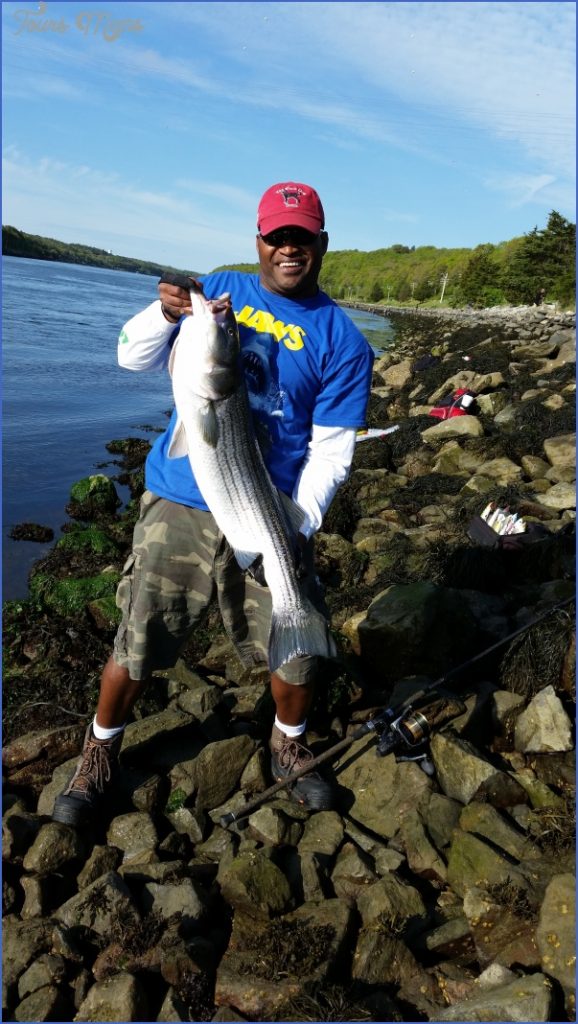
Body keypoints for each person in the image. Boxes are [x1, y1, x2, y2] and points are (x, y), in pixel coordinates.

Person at [52, 181, 374, 826]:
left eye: (301, 238)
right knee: (140, 631)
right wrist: (170, 316)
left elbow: (332, 450)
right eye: (276, 237)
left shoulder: (344, 340)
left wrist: (297, 525)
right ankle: (99, 750)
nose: (288, 249)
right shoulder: (218, 291)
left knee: (299, 643)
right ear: (258, 241)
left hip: (269, 509)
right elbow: (130, 356)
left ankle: (288, 742)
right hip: (180, 502)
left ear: (322, 245)